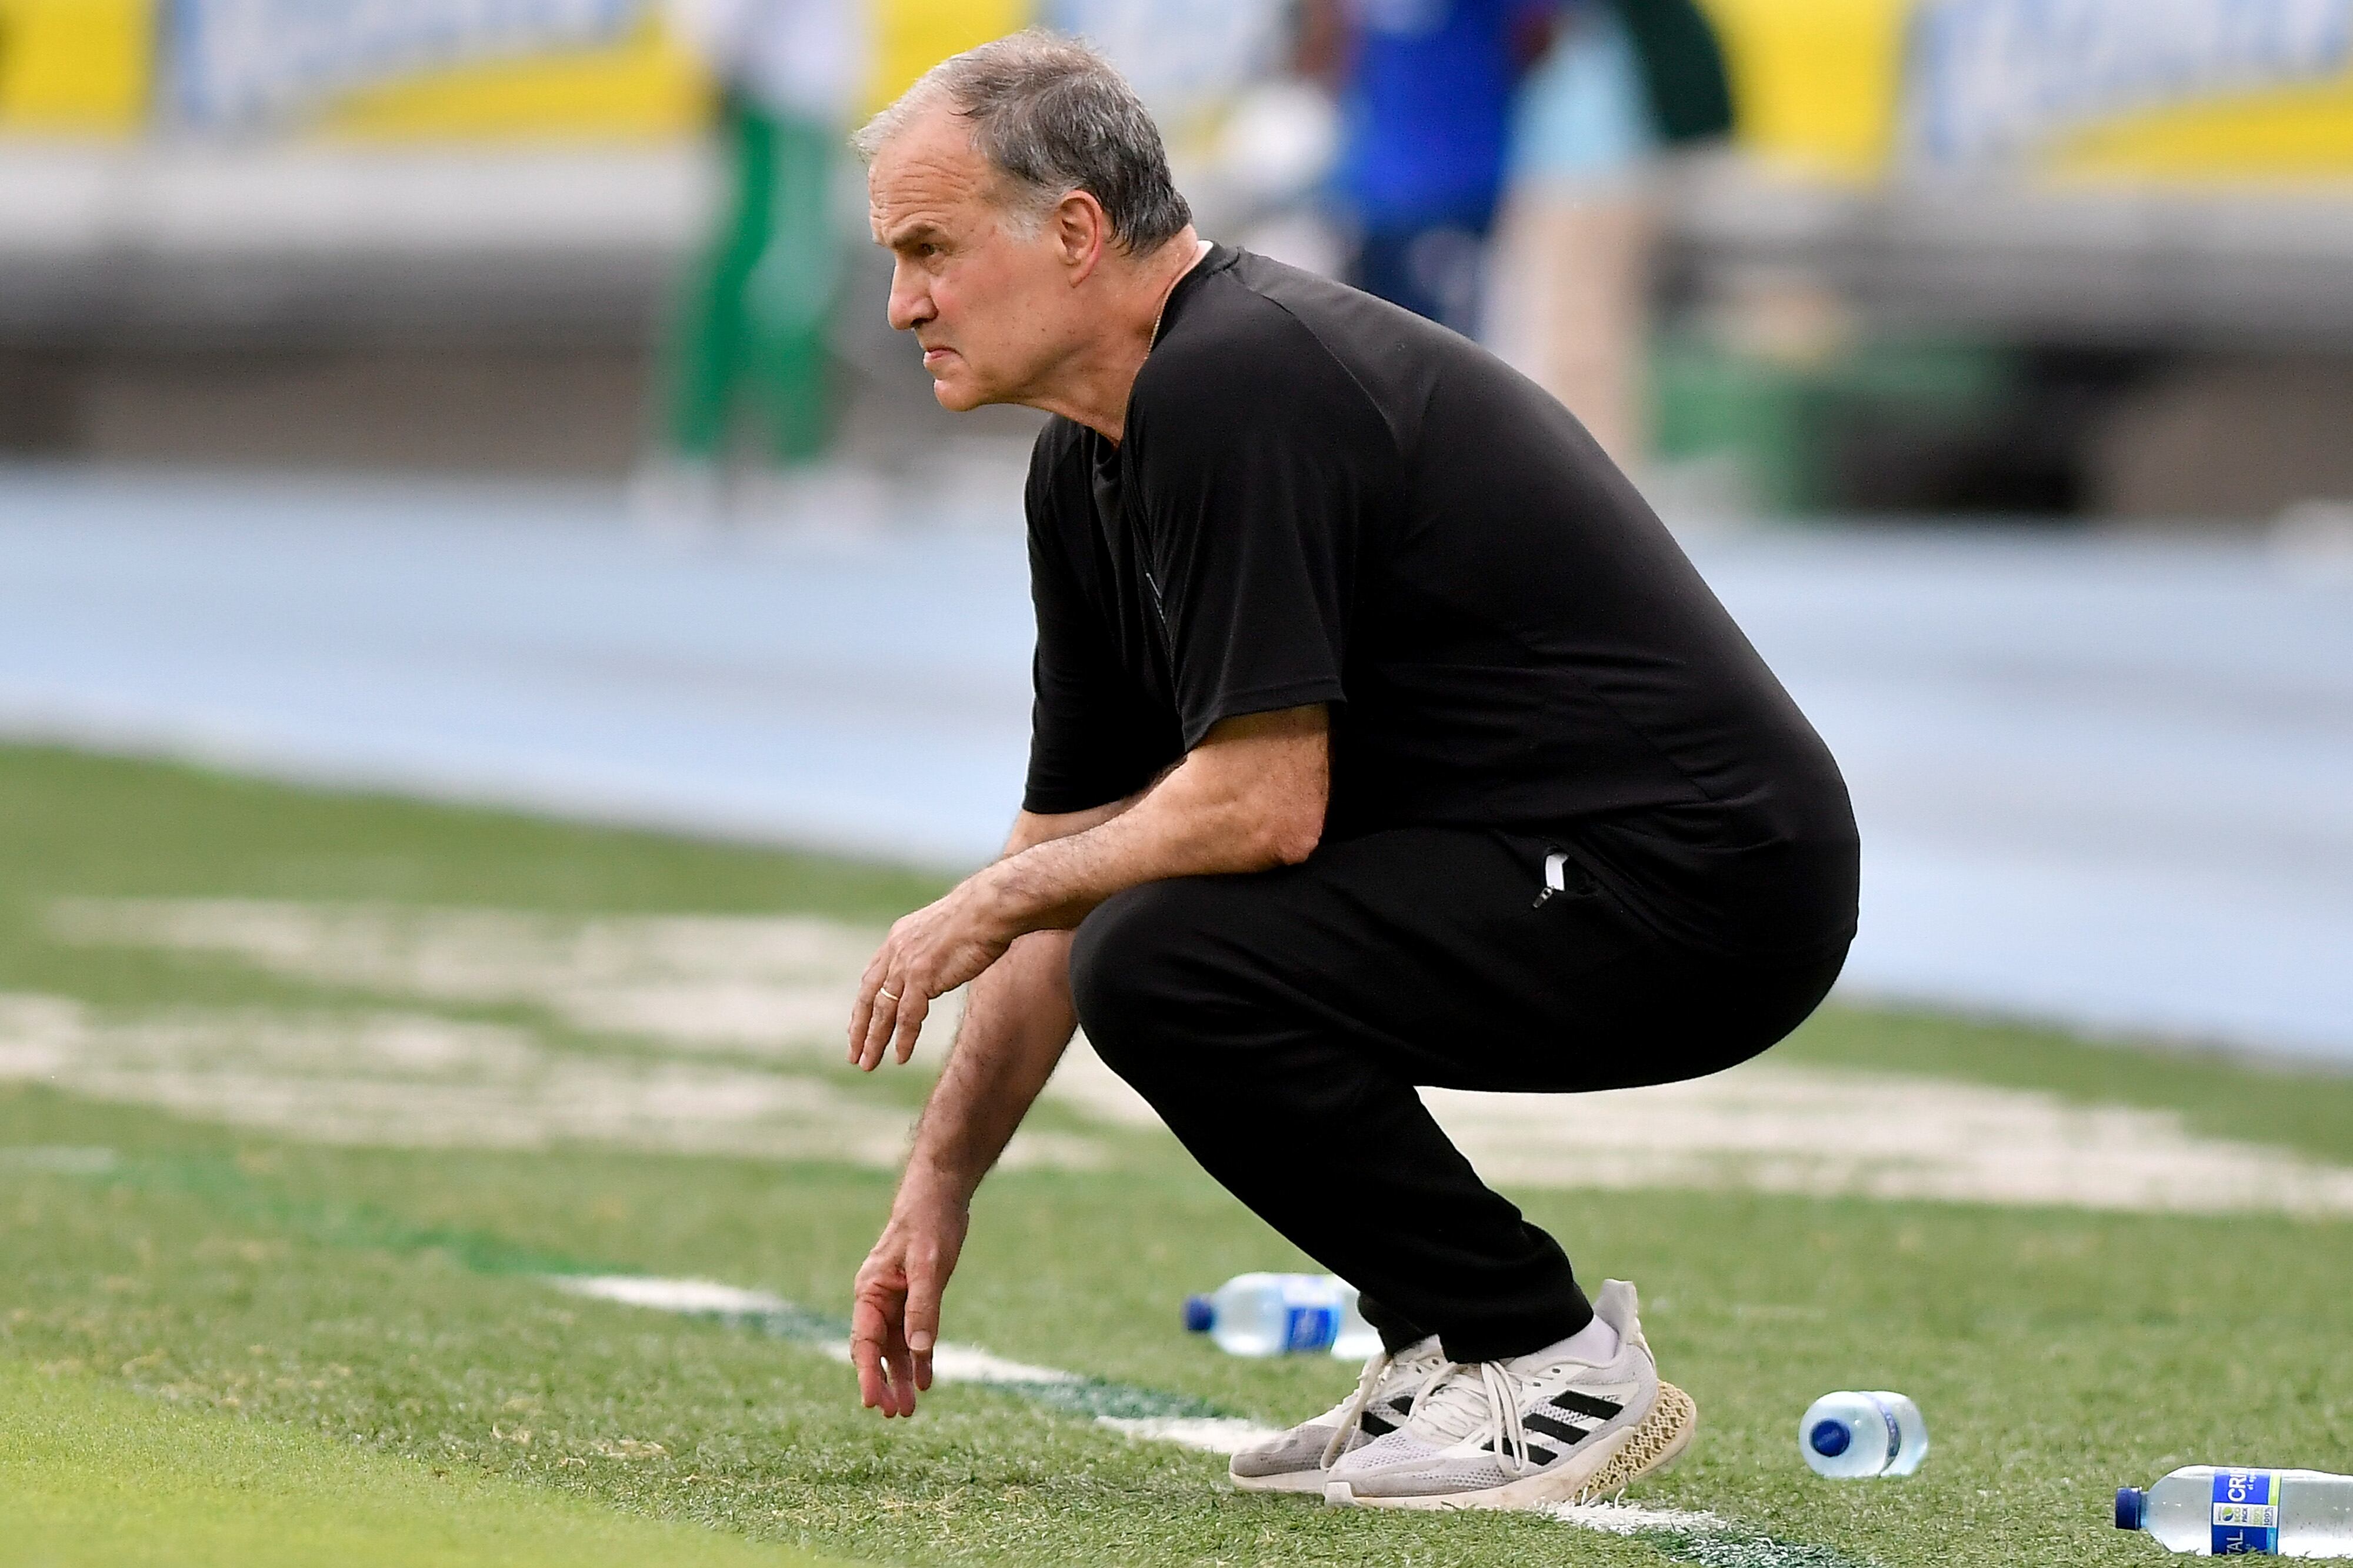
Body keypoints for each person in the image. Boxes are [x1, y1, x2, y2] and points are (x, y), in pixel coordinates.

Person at [842, 31, 1858, 1509]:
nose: (902, 303)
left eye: (928, 248)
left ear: (1072, 232)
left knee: (1165, 958)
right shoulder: (1092, 452)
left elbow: (1259, 807)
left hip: (1700, 883)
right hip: (1561, 858)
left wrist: (989, 903)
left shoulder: (1237, 378)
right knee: (1140, 933)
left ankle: (1537, 1351)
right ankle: (1446, 1343)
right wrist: (938, 1182)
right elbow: (1071, 836)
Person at [643, 0, 868, 522]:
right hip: (786, 97)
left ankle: (692, 455)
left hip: (784, 96)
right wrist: (724, 59)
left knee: (739, 271)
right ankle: (797, 464)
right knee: (791, 283)